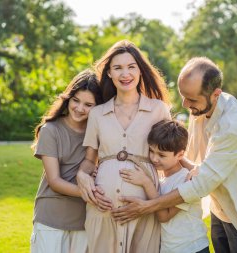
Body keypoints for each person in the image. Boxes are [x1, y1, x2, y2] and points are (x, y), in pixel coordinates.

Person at [111, 57, 237, 253]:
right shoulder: (199, 110)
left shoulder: (234, 124)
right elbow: (193, 163)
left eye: (191, 99)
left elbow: (202, 184)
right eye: (183, 95)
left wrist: (147, 206)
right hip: (221, 207)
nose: (185, 104)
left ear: (216, 94)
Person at [76, 40, 171, 253]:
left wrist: (191, 168)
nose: (125, 74)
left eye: (131, 67)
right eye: (117, 68)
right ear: (109, 73)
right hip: (103, 207)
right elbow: (90, 160)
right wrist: (81, 176)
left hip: (143, 205)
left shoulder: (158, 110)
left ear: (140, 70)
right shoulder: (97, 114)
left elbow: (172, 153)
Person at [30, 69, 103, 253]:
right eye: (76, 100)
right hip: (50, 218)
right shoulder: (51, 130)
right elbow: (54, 181)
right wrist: (90, 194)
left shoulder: (97, 132)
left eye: (88, 104)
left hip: (82, 219)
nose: (79, 108)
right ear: (68, 98)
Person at [119, 119, 210, 253]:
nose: (154, 158)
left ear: (180, 154)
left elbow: (164, 216)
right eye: (151, 151)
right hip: (171, 248)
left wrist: (146, 183)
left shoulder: (186, 179)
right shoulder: (162, 179)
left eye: (161, 155)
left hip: (191, 248)